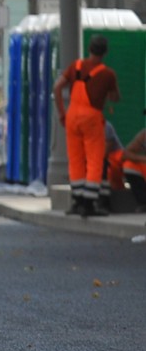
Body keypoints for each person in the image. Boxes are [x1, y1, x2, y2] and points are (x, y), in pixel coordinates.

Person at [54, 34, 120, 217]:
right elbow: (115, 97)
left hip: (72, 116)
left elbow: (57, 87)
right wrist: (108, 93)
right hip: (91, 117)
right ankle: (89, 204)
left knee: (75, 159)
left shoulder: (75, 66)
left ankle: (77, 201)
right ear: (105, 53)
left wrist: (61, 113)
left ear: (90, 49)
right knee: (94, 160)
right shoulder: (107, 74)